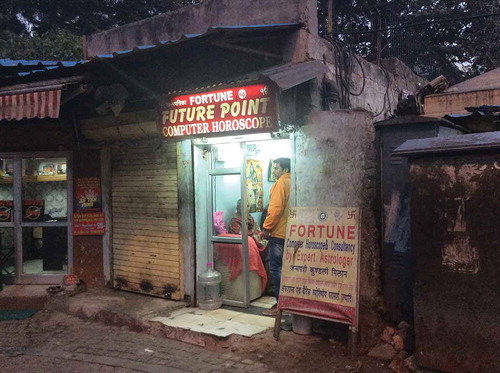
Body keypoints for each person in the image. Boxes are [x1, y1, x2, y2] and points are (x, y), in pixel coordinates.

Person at [261, 158, 291, 316]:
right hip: (293, 233)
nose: (274, 171)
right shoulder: (295, 181)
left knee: (276, 268)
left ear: (285, 169)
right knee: (289, 270)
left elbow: (276, 208)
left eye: (276, 168)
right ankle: (288, 304)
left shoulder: (282, 182)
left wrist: (267, 228)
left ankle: (280, 305)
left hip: (279, 233)